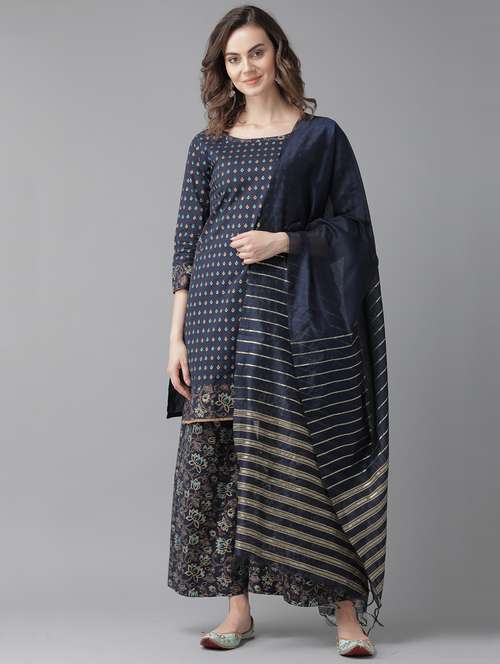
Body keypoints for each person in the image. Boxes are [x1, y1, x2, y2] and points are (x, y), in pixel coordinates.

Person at [165, 5, 389, 657]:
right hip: (214, 320)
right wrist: (175, 337)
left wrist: (284, 241)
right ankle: (238, 612)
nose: (246, 68)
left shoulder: (321, 139)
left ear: (279, 54)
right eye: (233, 59)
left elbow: (354, 232)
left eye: (256, 53)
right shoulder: (207, 145)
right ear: (222, 68)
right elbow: (187, 241)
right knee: (229, 463)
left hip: (294, 321)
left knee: (311, 454)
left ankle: (346, 615)